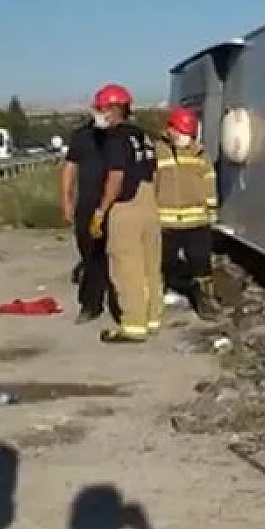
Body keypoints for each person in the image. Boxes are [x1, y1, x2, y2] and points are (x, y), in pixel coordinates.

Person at [88, 83, 161, 343]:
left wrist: (100, 210)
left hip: (126, 206)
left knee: (126, 266)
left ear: (114, 109)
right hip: (149, 202)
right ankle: (153, 318)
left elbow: (116, 177)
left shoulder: (116, 138)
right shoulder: (143, 135)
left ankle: (133, 325)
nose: (97, 113)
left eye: (100, 108)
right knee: (150, 266)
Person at [154, 107, 221, 319]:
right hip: (166, 222)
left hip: (197, 222)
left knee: (201, 263)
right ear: (170, 130)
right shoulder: (157, 151)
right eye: (182, 133)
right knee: (163, 262)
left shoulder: (200, 154)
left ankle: (205, 302)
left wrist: (211, 210)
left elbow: (209, 182)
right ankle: (157, 299)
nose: (186, 139)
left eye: (189, 135)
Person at [60, 114, 121, 325]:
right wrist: (67, 199)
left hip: (118, 205)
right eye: (102, 108)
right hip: (88, 204)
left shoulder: (124, 136)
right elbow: (70, 168)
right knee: (90, 254)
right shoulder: (82, 136)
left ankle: (121, 303)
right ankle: (91, 304)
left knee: (118, 256)